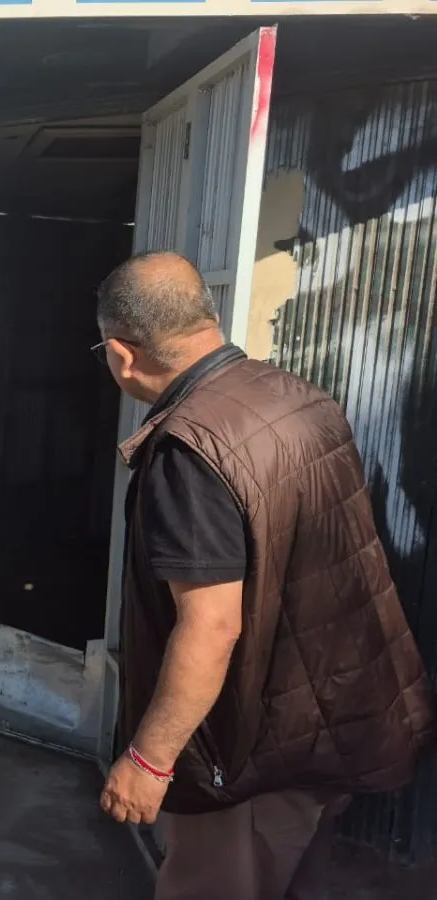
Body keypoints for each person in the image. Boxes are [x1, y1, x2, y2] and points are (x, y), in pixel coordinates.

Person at [94, 251, 434, 900]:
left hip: (247, 751)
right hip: (331, 722)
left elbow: (212, 626)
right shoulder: (297, 395)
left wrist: (148, 759)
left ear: (123, 352)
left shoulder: (189, 450)